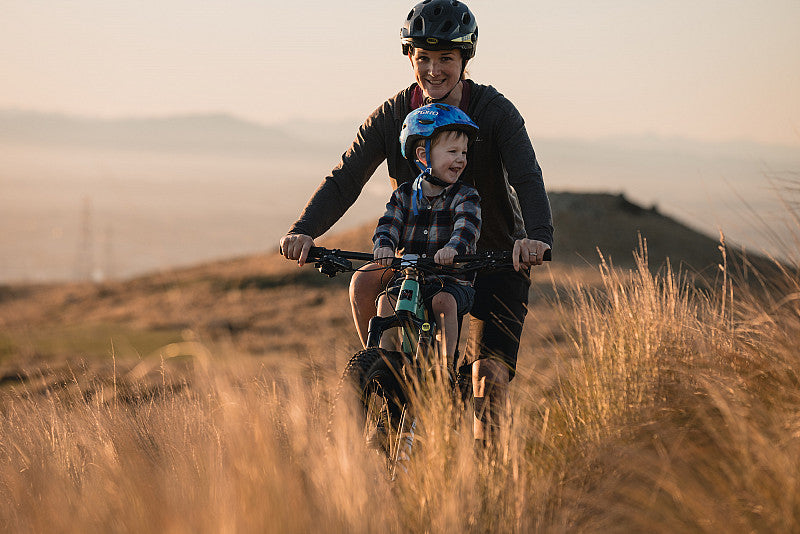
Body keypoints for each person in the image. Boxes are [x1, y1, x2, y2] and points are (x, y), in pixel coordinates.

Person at [279, 0, 553, 446]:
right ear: (410, 57)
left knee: (489, 384)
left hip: (495, 258)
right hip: (422, 261)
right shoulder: (392, 116)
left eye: (445, 57)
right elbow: (347, 178)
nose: (433, 70)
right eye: (422, 57)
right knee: (365, 285)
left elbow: (526, 176)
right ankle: (389, 391)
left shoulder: (496, 111)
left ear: (464, 59)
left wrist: (537, 237)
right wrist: (305, 229)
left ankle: (485, 484)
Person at [373, 103, 481, 368]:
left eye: (464, 152)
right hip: (410, 279)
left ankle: (444, 368)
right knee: (385, 301)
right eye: (452, 151)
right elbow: (389, 224)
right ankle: (384, 365)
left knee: (443, 301)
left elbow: (466, 228)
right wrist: (384, 246)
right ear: (423, 155)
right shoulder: (403, 195)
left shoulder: (465, 195)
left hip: (451, 282)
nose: (461, 159)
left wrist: (453, 248)